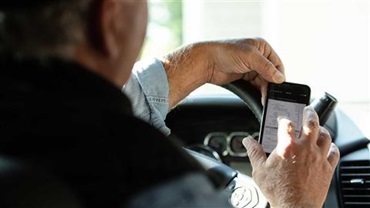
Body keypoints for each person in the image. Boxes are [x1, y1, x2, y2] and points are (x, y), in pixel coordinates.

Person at [0, 0, 340, 208]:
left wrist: (202, 62)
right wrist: (296, 201)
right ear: (109, 18)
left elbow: (85, 105)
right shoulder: (152, 180)